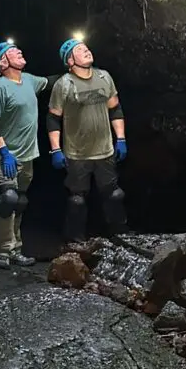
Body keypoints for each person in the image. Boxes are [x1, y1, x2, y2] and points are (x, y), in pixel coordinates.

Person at [47, 38, 128, 243]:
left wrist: (121, 139)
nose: (86, 51)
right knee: (77, 199)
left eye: (86, 48)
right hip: (77, 153)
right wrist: (55, 150)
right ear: (69, 61)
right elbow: (53, 118)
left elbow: (115, 108)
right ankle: (75, 240)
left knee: (114, 194)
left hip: (105, 150)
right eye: (79, 50)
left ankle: (120, 235)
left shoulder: (104, 76)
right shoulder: (64, 84)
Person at [0, 41, 57, 269]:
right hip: (7, 154)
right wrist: (4, 152)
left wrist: (74, 70)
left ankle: (16, 248)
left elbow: (52, 81)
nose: (19, 51)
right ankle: (3, 252)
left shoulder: (29, 80)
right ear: (3, 62)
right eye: (12, 51)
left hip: (28, 155)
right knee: (7, 199)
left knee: (20, 201)